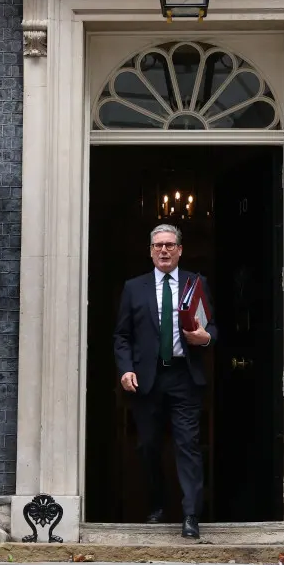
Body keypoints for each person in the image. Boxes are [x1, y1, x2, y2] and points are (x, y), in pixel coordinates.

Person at [113, 224, 216, 539]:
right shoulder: (134, 288)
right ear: (150, 251)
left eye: (170, 245)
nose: (164, 250)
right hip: (147, 379)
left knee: (187, 445)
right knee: (148, 446)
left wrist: (205, 337)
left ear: (180, 250)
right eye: (158, 245)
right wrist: (125, 368)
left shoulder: (196, 283)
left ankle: (190, 515)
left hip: (184, 376)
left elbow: (214, 328)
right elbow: (122, 335)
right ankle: (157, 505)